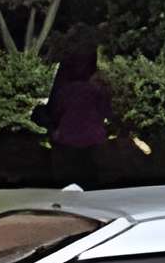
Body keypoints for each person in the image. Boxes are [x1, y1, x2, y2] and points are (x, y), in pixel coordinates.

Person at [38, 44, 113, 190]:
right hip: (93, 141)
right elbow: (107, 112)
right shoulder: (96, 91)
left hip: (67, 141)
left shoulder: (65, 91)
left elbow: (55, 113)